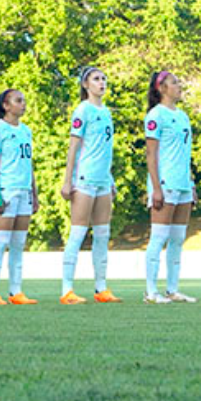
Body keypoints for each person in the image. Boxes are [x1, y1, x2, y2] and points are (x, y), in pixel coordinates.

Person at [59, 67, 121, 305]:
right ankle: (67, 289)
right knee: (78, 233)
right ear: (86, 84)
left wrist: (111, 179)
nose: (102, 83)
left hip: (103, 180)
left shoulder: (106, 112)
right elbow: (74, 146)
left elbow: (104, 150)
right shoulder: (82, 110)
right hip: (84, 179)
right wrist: (68, 180)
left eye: (104, 78)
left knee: (103, 234)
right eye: (96, 79)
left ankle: (101, 287)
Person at [143, 71, 197, 304]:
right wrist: (156, 187)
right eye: (174, 82)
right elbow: (151, 153)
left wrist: (191, 182)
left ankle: (172, 288)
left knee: (178, 237)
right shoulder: (156, 116)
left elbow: (185, 154)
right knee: (159, 237)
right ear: (162, 88)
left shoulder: (183, 116)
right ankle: (150, 291)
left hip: (183, 182)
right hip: (165, 183)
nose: (179, 85)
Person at [0, 89, 39, 305]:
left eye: (24, 100)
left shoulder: (26, 131)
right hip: (6, 191)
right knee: (1, 242)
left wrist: (34, 193)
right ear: (6, 105)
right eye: (18, 101)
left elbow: (29, 164)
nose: (23, 104)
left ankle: (16, 291)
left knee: (18, 243)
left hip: (24, 191)